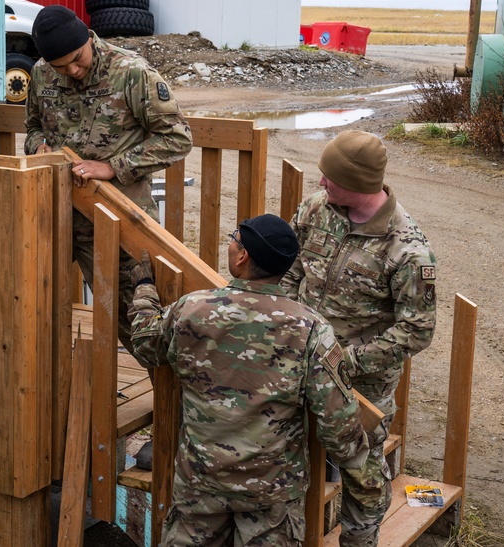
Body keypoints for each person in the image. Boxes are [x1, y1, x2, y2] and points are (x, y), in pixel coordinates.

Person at [127, 213, 386, 546]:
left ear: (242, 256)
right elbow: (340, 426)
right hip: (272, 494)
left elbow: (147, 344)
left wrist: (144, 291)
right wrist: (362, 517)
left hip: (202, 484)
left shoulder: (193, 309)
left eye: (235, 237)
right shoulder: (310, 329)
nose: (231, 243)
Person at [0, 5, 192, 395]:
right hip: (55, 210)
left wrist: (113, 167)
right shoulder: (42, 74)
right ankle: (20, 358)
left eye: (77, 60)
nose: (72, 71)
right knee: (19, 286)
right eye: (61, 67)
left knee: (137, 314)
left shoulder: (132, 72)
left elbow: (177, 139)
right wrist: (38, 145)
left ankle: (172, 406)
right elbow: (32, 127)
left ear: (87, 40)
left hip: (117, 216)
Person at [280, 130, 437, 546]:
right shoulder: (317, 209)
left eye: (329, 177)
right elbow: (291, 270)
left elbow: (416, 331)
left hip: (359, 388)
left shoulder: (407, 249)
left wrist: (344, 361)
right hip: (298, 368)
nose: (320, 183)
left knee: (362, 474)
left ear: (356, 184)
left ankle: (359, 541)